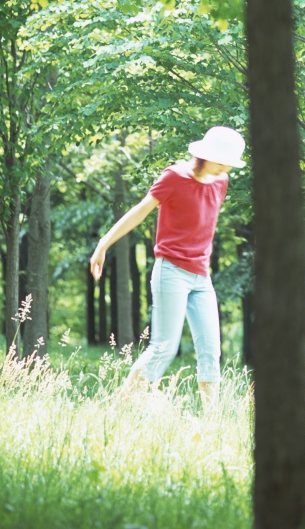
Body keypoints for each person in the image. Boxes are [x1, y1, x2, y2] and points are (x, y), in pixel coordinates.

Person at [89, 125, 245, 405]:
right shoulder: (174, 177)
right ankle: (118, 408)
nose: (226, 169)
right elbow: (140, 211)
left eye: (229, 165)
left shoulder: (221, 181)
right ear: (206, 155)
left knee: (210, 350)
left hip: (201, 277)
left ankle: (213, 421)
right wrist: (103, 244)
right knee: (163, 347)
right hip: (171, 271)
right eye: (222, 162)